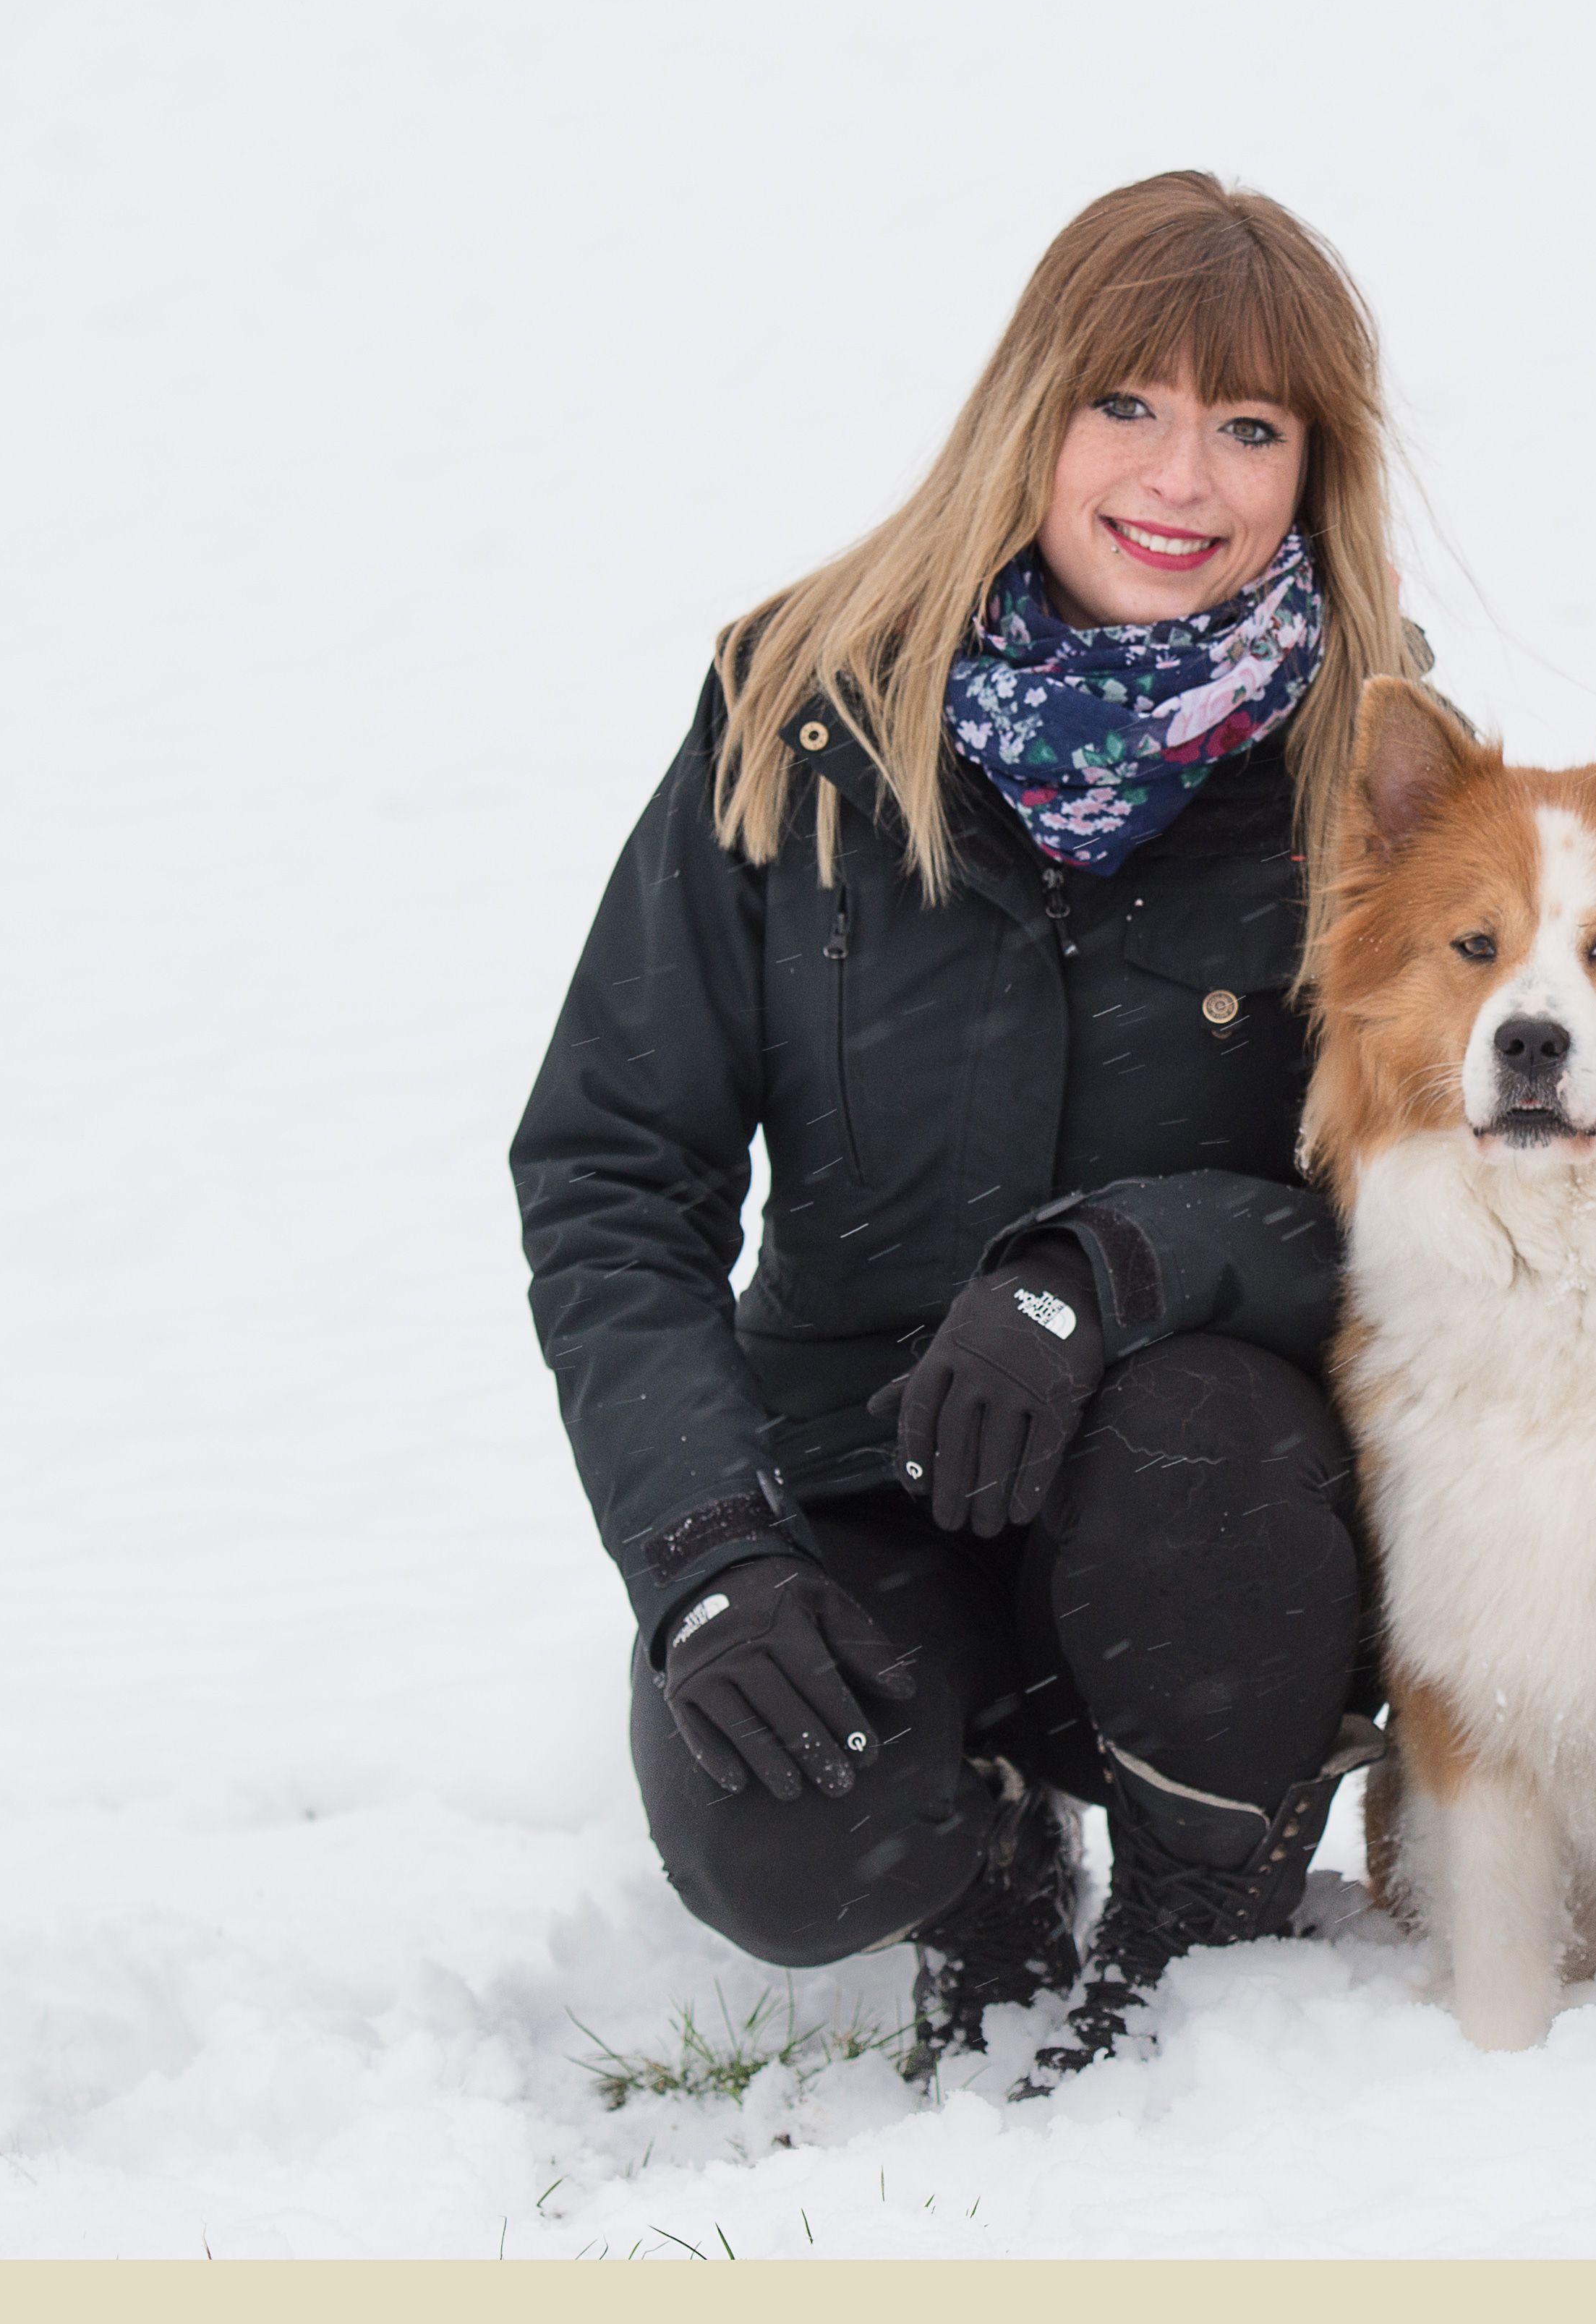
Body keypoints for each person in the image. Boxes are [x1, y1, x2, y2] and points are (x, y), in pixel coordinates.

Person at [511, 172, 1426, 2085]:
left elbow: (1451, 1218)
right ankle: (985, 1875)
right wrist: (708, 1551)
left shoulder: (1380, 764)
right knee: (785, 1835)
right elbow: (613, 1164)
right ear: (1034, 410)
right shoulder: (799, 713)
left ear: (1311, 468)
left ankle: (1203, 1911)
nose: (1183, 475)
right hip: (859, 1462)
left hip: (1217, 1495)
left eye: (1251, 426)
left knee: (1201, 1454)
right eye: (1131, 404)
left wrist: (1120, 1267)